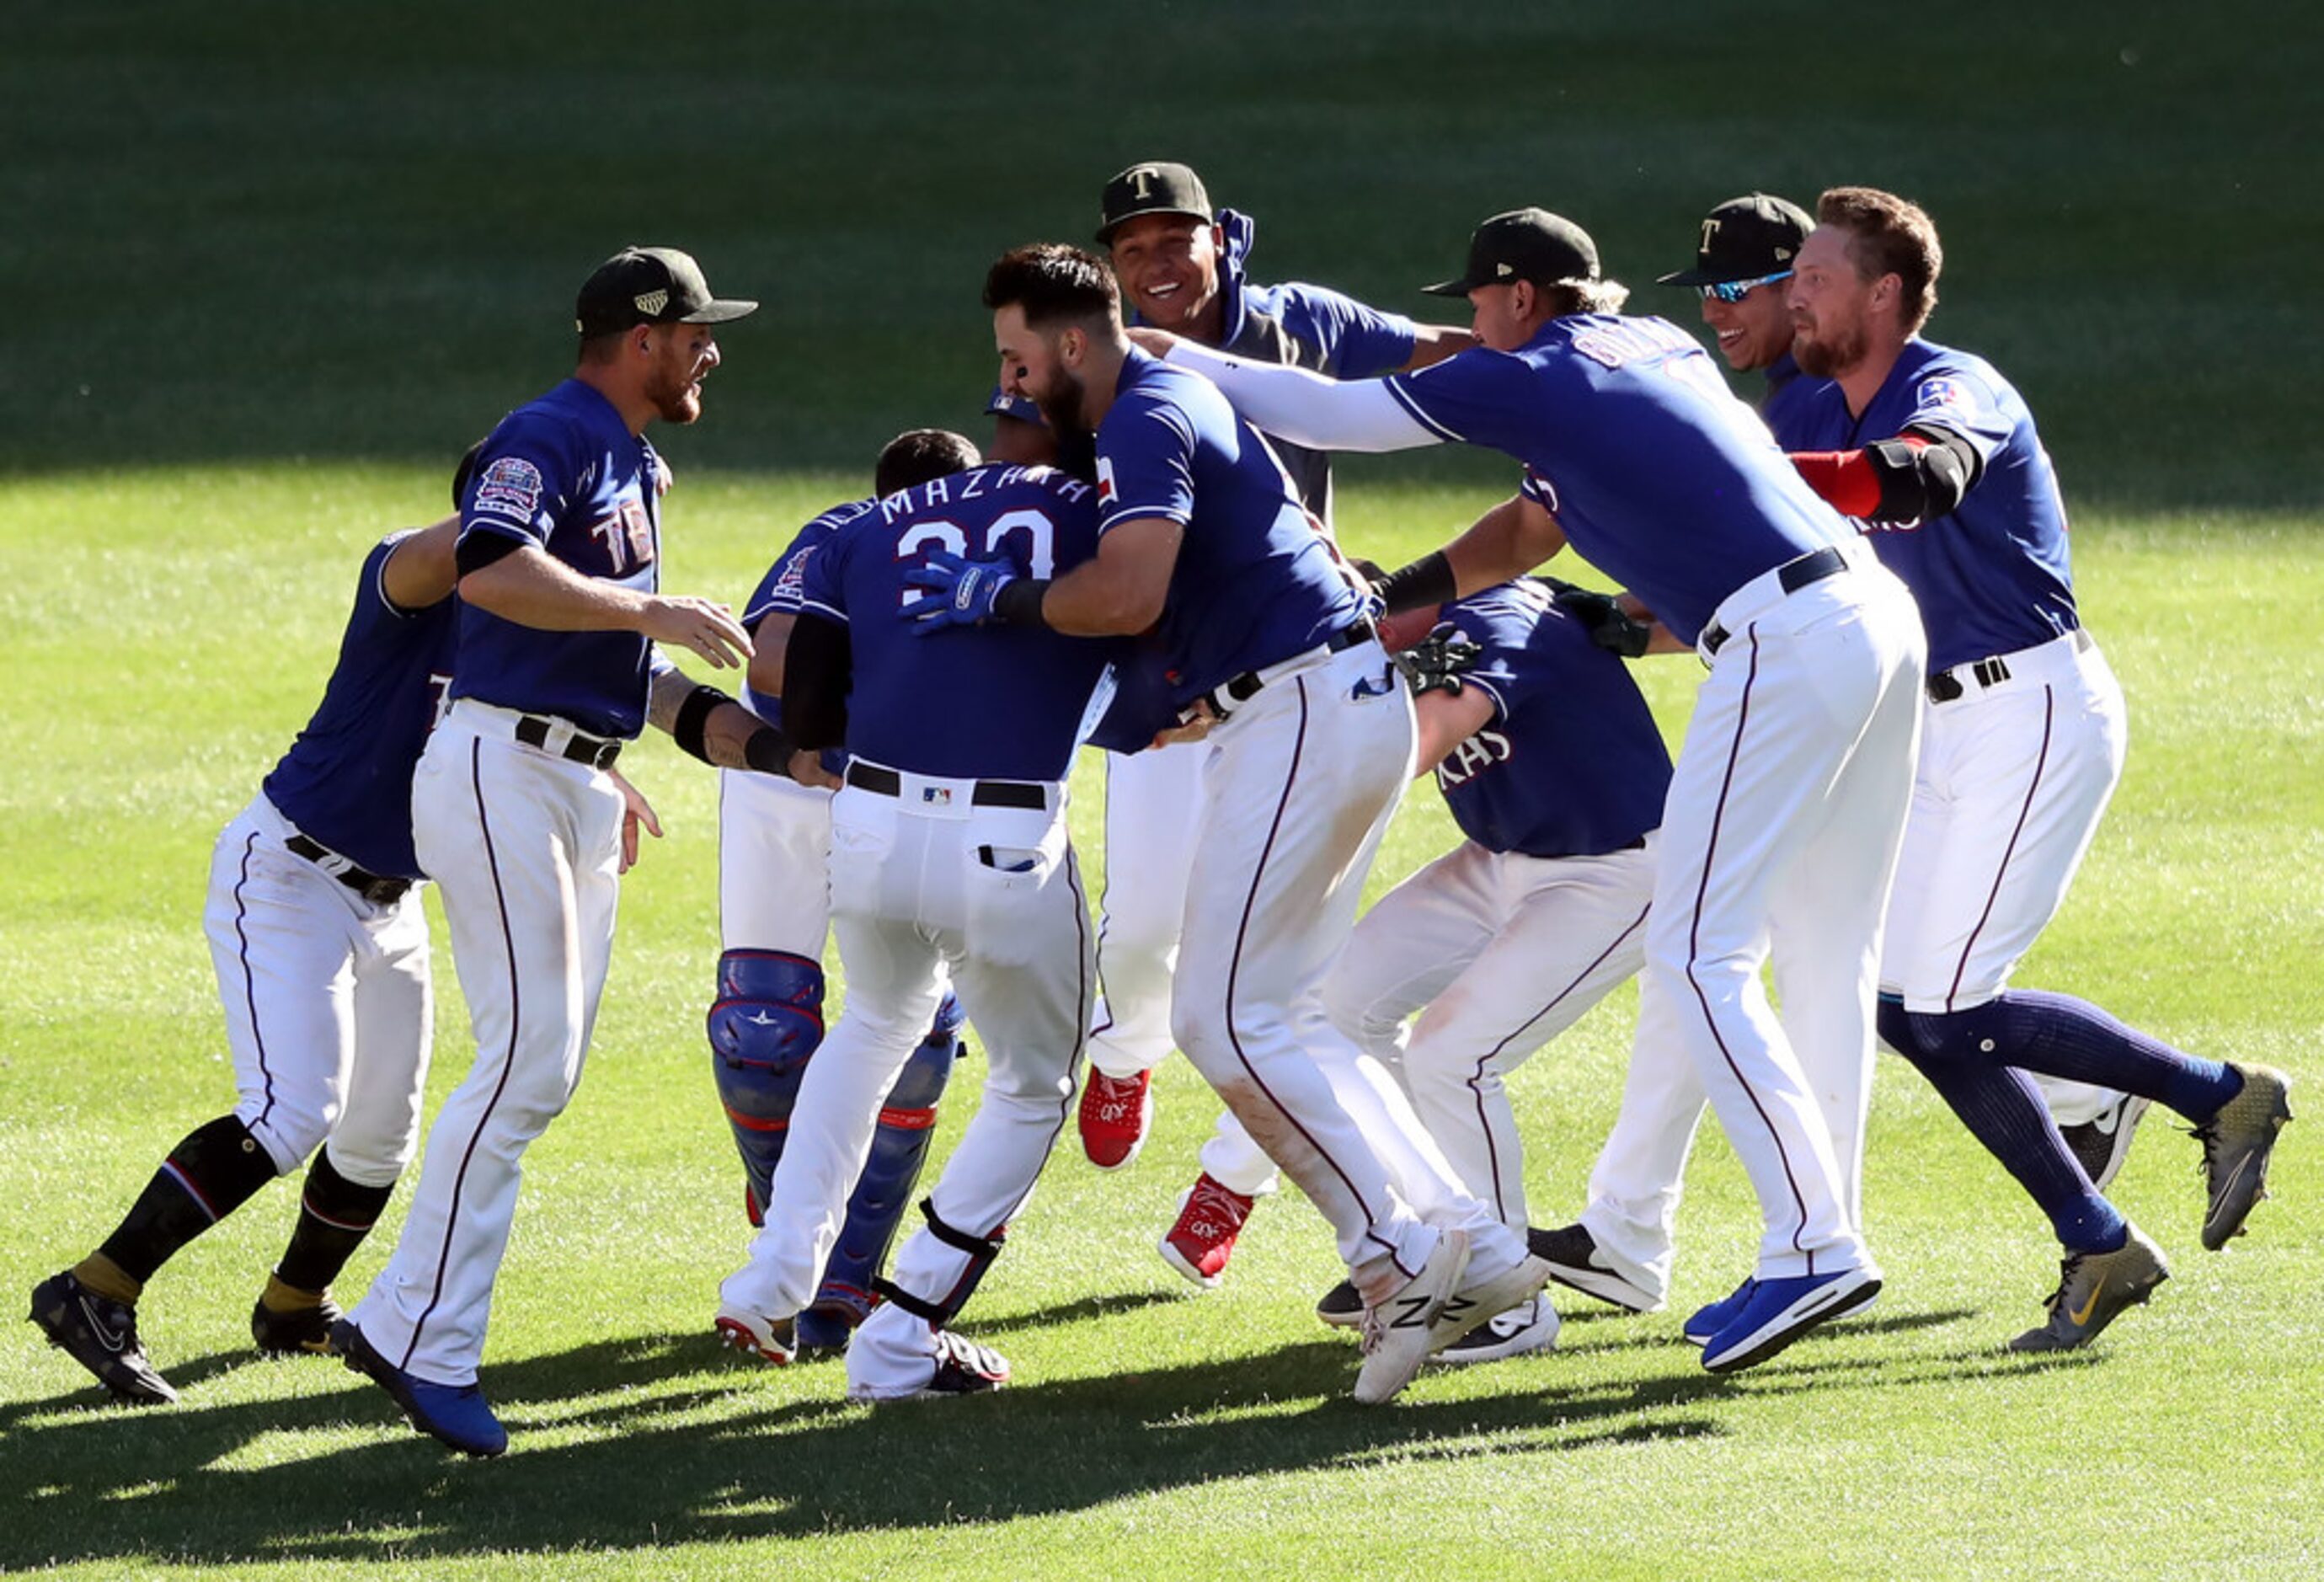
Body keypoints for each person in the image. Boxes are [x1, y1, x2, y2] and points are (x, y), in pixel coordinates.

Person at [1141, 207, 1926, 1375]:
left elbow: (1326, 415)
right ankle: (1805, 1236)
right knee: (1819, 947)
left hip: (1781, 635)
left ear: (1515, 297)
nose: (1467, 320)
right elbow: (1524, 529)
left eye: (1474, 301)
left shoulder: (1530, 372)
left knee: (1697, 954)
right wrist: (1403, 591)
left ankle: (1811, 1247)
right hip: (1865, 612)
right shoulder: (1649, 341)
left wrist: (1163, 355)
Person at [912, 243, 1552, 1406]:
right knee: (1284, 1013)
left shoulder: (1145, 412)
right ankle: (1476, 1246)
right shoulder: (1146, 408)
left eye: (1016, 357)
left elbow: (1128, 592)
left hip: (1302, 705)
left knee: (1218, 1014)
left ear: (1067, 341)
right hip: (1320, 701)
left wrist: (998, 599)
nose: (1007, 383)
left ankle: (1398, 1260)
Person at [1774, 186, 2291, 1349]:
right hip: (1930, 730)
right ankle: (2099, 1216)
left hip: (2030, 713)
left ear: (1883, 295)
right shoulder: (1814, 402)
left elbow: (1919, 475)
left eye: (1813, 275)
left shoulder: (1952, 388)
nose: (1792, 293)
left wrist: (1766, 481)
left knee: (1950, 1007)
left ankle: (2218, 1098)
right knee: (1899, 1009)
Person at [334, 246, 796, 1457]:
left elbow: (625, 672)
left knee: (544, 1064)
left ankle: (408, 1317)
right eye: (697, 331)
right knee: (529, 1055)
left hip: (569, 780)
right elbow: (489, 570)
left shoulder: (637, 460)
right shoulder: (548, 433)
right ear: (641, 336)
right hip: (502, 771)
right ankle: (416, 1328)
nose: (711, 350)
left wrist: (778, 752)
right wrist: (650, 609)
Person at [1078, 162, 1473, 1187]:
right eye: (1133, 251)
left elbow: (1442, 353)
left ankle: (1233, 1183)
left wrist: (1555, 361)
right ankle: (1124, 1053)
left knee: (1295, 967)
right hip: (1174, 682)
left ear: (1222, 239)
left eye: (1177, 241)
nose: (1157, 265)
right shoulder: (1099, 363)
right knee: (1143, 931)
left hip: (1303, 682)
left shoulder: (1304, 323)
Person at [29, 512, 462, 1406]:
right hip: (289, 874)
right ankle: (96, 1288)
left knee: (380, 1133)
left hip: (396, 898)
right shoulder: (411, 575)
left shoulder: (523, 618)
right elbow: (434, 558)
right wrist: (527, 502)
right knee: (291, 1109)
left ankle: (294, 1306)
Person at [712, 433, 1109, 1401]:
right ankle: (905, 1325)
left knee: (872, 1022)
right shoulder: (1087, 517)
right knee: (1031, 1088)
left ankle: (771, 1280)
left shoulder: (860, 528)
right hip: (1006, 833)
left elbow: (794, 696)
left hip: (871, 822)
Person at [1287, 580, 1671, 1364]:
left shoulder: (1494, 615)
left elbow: (1434, 730)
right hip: (1498, 859)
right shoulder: (1399, 645)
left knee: (1451, 1055)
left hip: (1614, 870)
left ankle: (1506, 1297)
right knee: (1332, 1008)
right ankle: (1434, 1249)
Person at [707, 430, 1002, 1353]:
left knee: (918, 1038)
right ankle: (785, 1203)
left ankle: (845, 1283)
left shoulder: (1001, 558)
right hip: (788, 782)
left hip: (916, 800)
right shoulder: (838, 534)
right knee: (762, 1030)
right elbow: (769, 660)